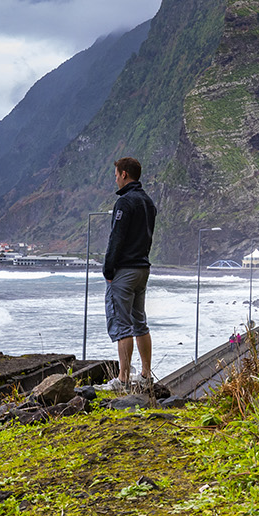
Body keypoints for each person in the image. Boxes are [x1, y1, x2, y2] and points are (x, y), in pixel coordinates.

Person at [102, 156, 157, 392]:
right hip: (142, 269)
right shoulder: (148, 202)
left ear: (124, 174)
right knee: (140, 323)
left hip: (124, 270)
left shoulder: (125, 202)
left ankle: (123, 380)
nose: (115, 179)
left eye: (116, 174)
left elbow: (117, 238)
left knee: (122, 324)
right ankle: (145, 375)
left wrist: (108, 269)